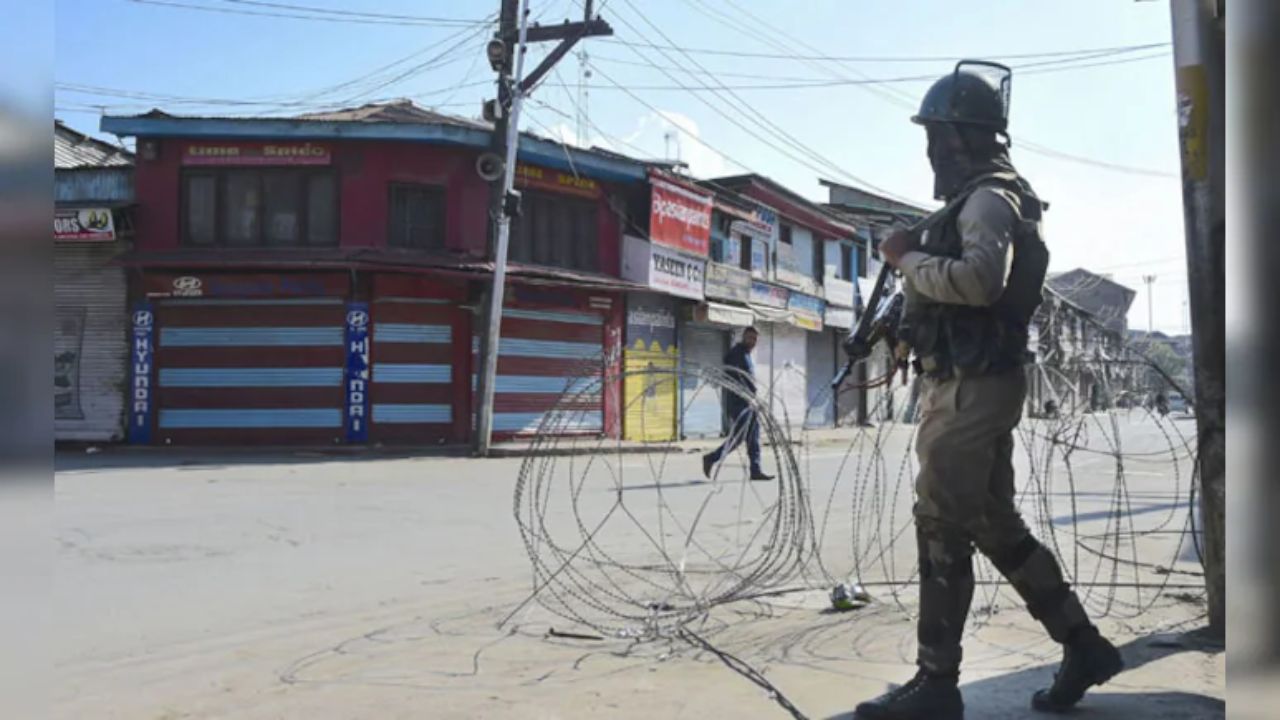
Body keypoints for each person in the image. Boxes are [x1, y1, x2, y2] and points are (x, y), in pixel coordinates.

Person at [852, 62, 1122, 720]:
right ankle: (1083, 646)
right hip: (966, 380)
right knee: (991, 522)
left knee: (940, 519)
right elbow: (951, 292)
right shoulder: (970, 200)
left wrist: (904, 259)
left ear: (958, 138)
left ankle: (936, 685)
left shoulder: (989, 199)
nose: (931, 150)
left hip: (974, 387)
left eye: (937, 136)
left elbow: (979, 283)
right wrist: (899, 312)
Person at [702, 327, 774, 481]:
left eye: (755, 339)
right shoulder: (736, 353)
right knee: (739, 437)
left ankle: (756, 470)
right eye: (750, 338)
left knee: (753, 436)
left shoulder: (746, 354)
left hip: (748, 402)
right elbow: (737, 378)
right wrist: (749, 394)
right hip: (738, 402)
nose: (752, 342)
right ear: (743, 337)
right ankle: (711, 458)